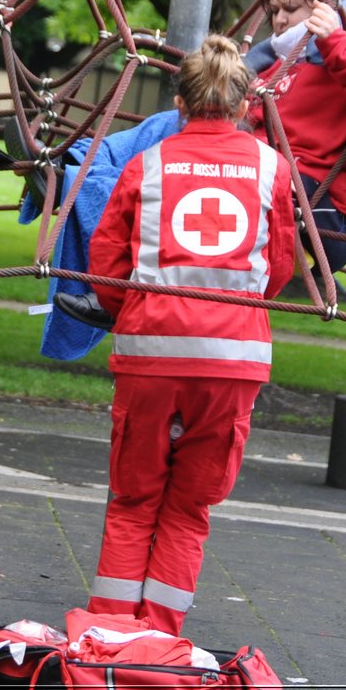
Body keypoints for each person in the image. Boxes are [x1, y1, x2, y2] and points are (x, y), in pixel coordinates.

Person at [84, 35, 295, 634]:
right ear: (247, 104)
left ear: (179, 102)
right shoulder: (271, 168)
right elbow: (278, 267)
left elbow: (106, 260)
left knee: (133, 501)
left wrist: (132, 311)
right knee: (189, 506)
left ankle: (110, 635)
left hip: (150, 353)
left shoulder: (147, 164)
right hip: (233, 360)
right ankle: (159, 639)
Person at [244, 0, 346, 282]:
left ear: (322, 7)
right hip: (279, 189)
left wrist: (334, 40)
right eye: (274, 11)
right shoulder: (273, 67)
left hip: (329, 213)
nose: (279, 20)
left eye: (290, 9)